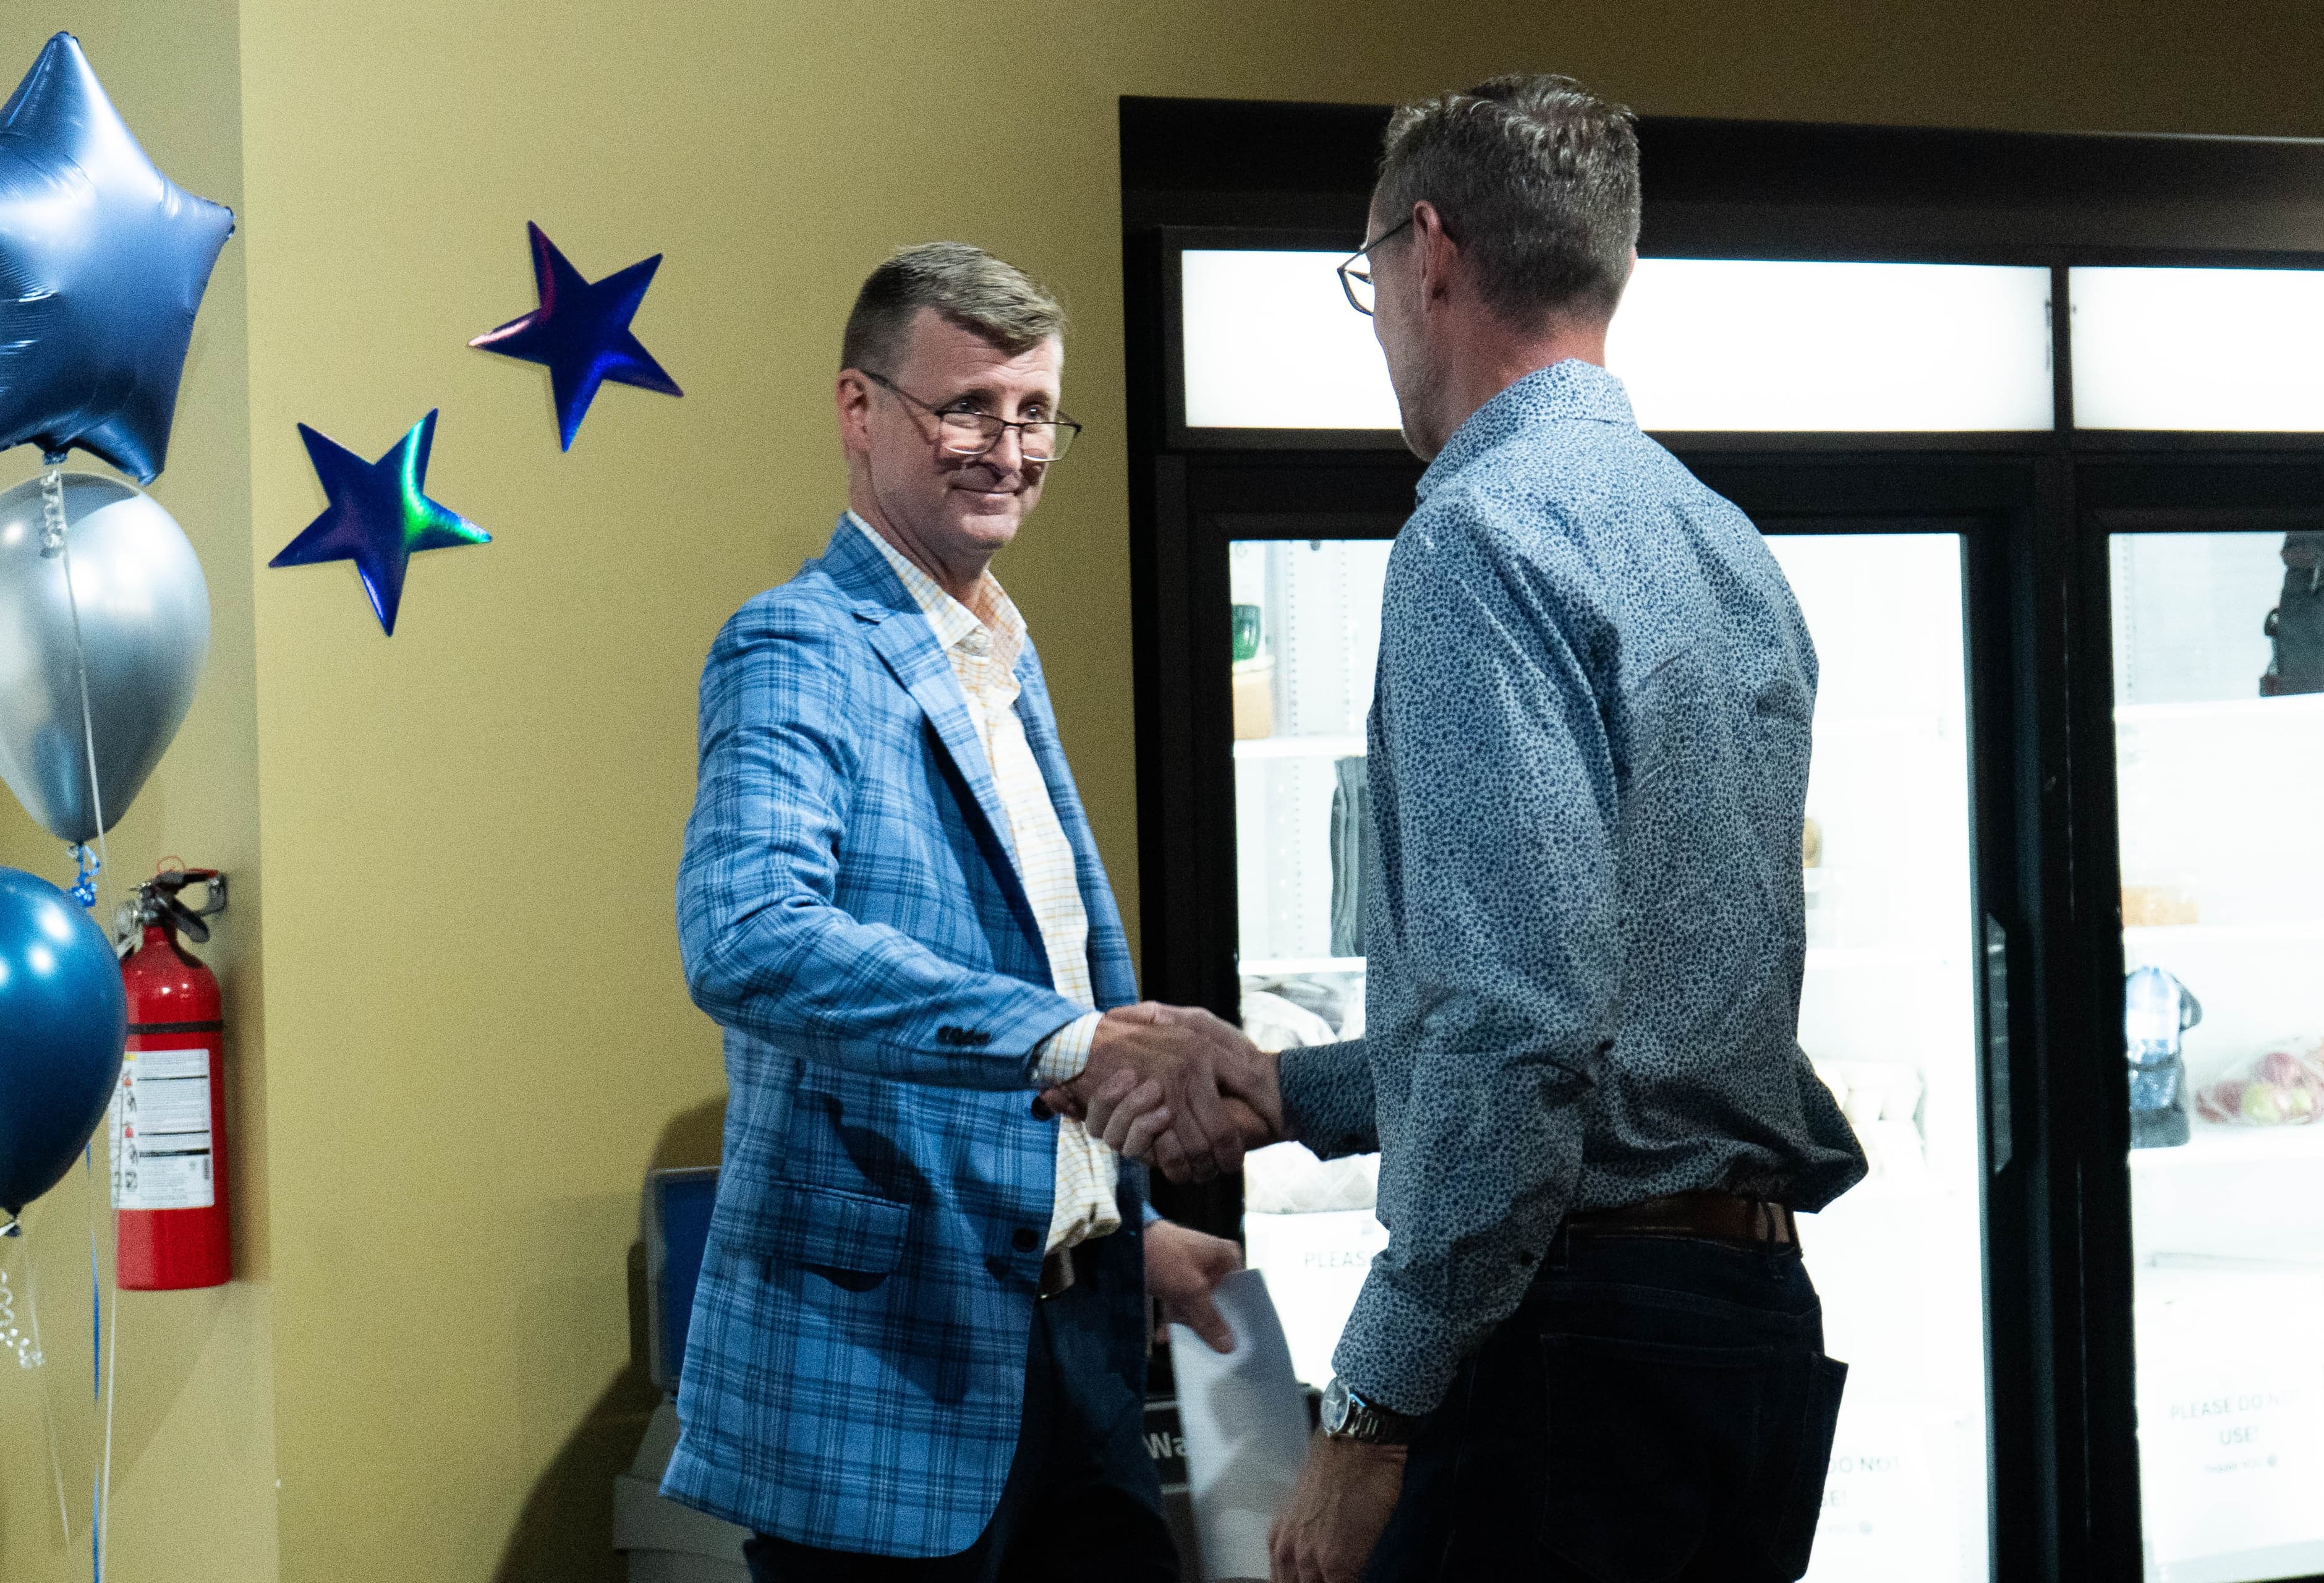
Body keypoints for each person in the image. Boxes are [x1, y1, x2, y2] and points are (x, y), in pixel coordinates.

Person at [1059, 77, 1869, 1582]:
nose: (1377, 325)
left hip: (1573, 1344)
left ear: (1429, 252)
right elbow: (1604, 1022)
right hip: (1747, 1340)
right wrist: (1283, 1089)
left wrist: (1368, 1411)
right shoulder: (1721, 540)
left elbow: (1521, 1028)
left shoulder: (1480, 533)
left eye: (1367, 281)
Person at [666, 241, 1256, 1582]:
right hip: (890, 1387)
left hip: (1076, 1351)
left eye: (1036, 411)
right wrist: (1076, 1043)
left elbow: (1009, 980)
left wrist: (1117, 1218)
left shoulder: (1000, 649)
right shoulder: (798, 643)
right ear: (859, 410)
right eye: (969, 407)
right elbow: (748, 932)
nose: (1009, 446)